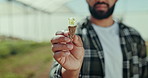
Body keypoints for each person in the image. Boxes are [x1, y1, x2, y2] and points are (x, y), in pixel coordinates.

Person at [50, 0, 148, 78]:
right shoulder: (72, 38)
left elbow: (144, 72)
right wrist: (72, 71)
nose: (100, 0)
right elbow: (54, 74)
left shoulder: (134, 37)